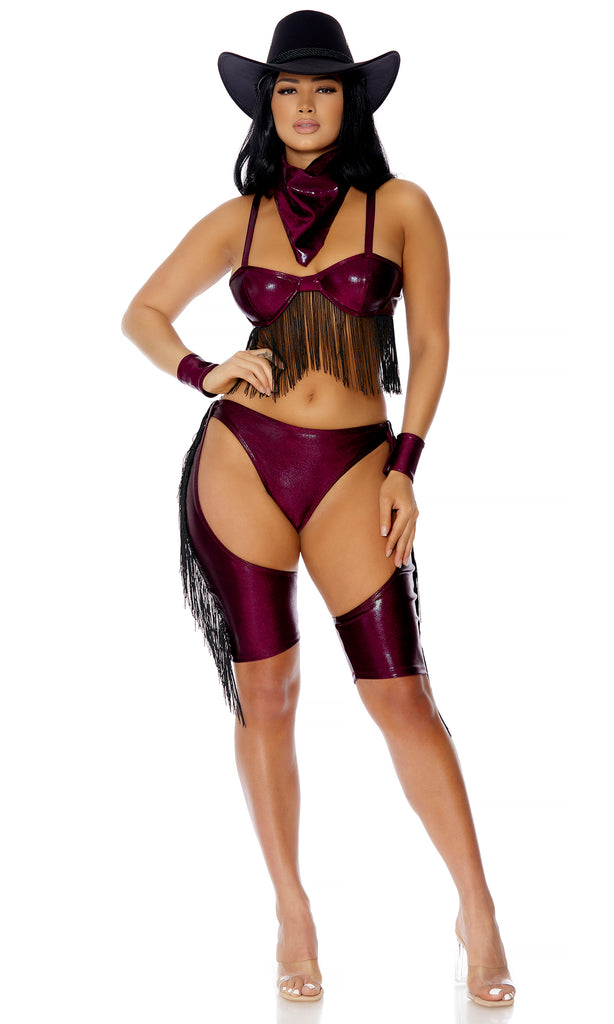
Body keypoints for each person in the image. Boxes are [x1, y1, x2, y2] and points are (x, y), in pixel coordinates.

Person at [121, 10, 515, 1007]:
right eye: (287, 89)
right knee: (266, 694)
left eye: (323, 88)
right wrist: (205, 370)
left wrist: (405, 467)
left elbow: (431, 344)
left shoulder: (401, 206)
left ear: (350, 102)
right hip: (241, 461)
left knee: (399, 695)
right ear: (266, 106)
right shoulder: (239, 218)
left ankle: (477, 909)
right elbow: (141, 312)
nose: (304, 105)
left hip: (354, 466)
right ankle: (291, 912)